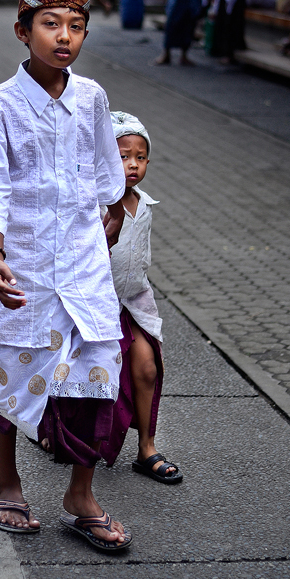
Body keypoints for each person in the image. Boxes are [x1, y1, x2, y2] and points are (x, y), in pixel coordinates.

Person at [0, 0, 132, 552]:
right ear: (22, 30)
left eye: (76, 26)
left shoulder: (92, 98)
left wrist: (114, 211)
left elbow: (110, 171)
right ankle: (8, 486)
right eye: (50, 23)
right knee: (15, 376)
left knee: (97, 372)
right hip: (24, 263)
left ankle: (79, 494)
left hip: (83, 265)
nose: (64, 37)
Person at [100, 112, 183, 484]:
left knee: (147, 368)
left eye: (140, 156)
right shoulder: (97, 205)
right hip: (96, 302)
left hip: (133, 300)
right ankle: (56, 433)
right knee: (83, 376)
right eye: (121, 155)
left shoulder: (144, 205)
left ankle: (146, 448)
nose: (132, 164)